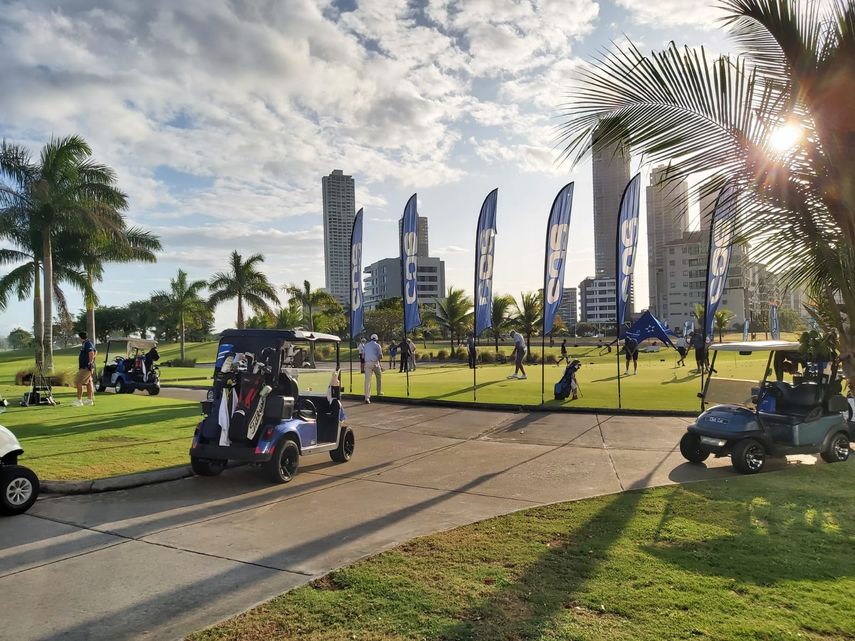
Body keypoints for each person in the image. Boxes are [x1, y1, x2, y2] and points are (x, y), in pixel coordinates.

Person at [73, 331, 97, 407]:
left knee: (78, 382)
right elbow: (96, 351)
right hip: (86, 366)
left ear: (80, 337)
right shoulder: (86, 343)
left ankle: (79, 400)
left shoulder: (87, 343)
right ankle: (89, 400)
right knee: (89, 382)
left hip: (86, 367)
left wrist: (90, 362)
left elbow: (92, 352)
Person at [363, 334, 383, 403]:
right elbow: (380, 356)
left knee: (367, 381)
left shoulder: (366, 345)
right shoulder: (378, 345)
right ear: (376, 339)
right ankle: (379, 392)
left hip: (367, 363)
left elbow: (363, 356)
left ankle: (367, 397)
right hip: (375, 363)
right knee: (379, 376)